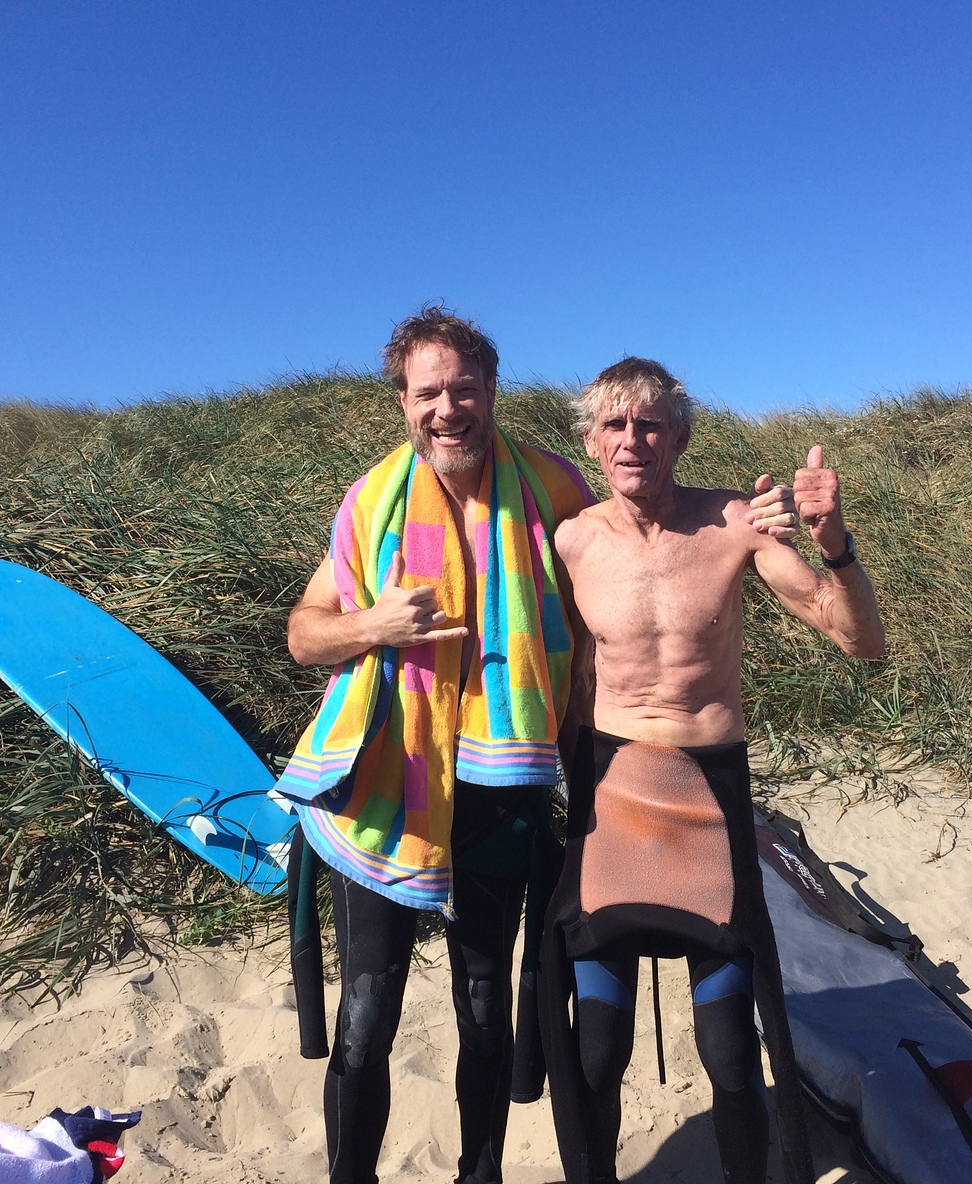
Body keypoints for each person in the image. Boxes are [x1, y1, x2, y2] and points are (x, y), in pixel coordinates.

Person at [276, 312, 798, 1184]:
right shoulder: (370, 505)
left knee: (485, 1009)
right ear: (402, 402)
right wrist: (373, 624)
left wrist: (763, 516)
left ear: (492, 393)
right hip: (385, 789)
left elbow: (644, 532)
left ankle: (478, 1173)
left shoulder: (554, 489)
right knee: (368, 1020)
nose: (448, 409)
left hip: (497, 788)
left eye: (464, 390)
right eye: (428, 393)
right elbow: (303, 633)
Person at [540, 357, 886, 1184]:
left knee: (731, 1049)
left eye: (651, 424)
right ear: (591, 441)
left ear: (681, 437)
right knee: (596, 1048)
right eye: (615, 425)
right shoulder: (572, 540)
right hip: (611, 797)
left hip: (707, 798)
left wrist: (833, 541)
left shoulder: (736, 523)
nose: (634, 439)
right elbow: (549, 671)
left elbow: (858, 640)